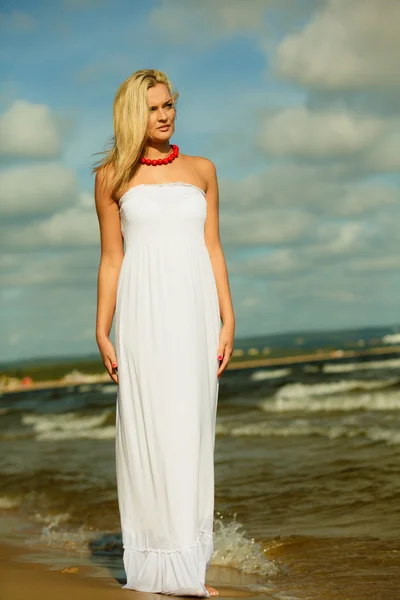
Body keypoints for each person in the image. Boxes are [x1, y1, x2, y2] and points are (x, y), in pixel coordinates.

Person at [93, 69, 235, 597]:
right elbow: (112, 260)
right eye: (154, 108)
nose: (165, 114)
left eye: (169, 104)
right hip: (142, 318)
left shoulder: (203, 170)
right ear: (135, 114)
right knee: (151, 433)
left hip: (195, 315)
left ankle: (188, 568)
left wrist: (228, 314)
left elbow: (213, 247)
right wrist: (103, 329)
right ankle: (156, 569)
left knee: (191, 432)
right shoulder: (111, 177)